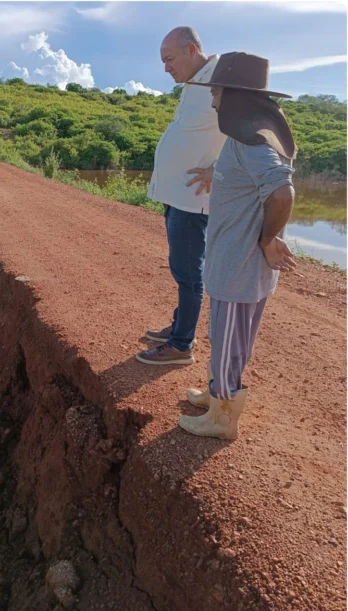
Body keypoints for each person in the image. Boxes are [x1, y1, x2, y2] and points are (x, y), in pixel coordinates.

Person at [179, 52, 297, 440]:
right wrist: (218, 174)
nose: (213, 102)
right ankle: (217, 393)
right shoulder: (246, 137)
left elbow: (281, 192)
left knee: (229, 339)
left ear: (237, 97)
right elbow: (250, 177)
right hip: (236, 263)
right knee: (228, 337)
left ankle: (223, 416)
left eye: (216, 93)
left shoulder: (252, 144)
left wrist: (267, 238)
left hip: (238, 265)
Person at [137, 27, 226, 367]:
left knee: (188, 273)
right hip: (178, 197)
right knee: (182, 269)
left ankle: (181, 345)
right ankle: (178, 327)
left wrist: (216, 170)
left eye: (169, 59)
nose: (165, 69)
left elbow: (246, 136)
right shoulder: (196, 83)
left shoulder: (221, 81)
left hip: (193, 200)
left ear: (191, 49)